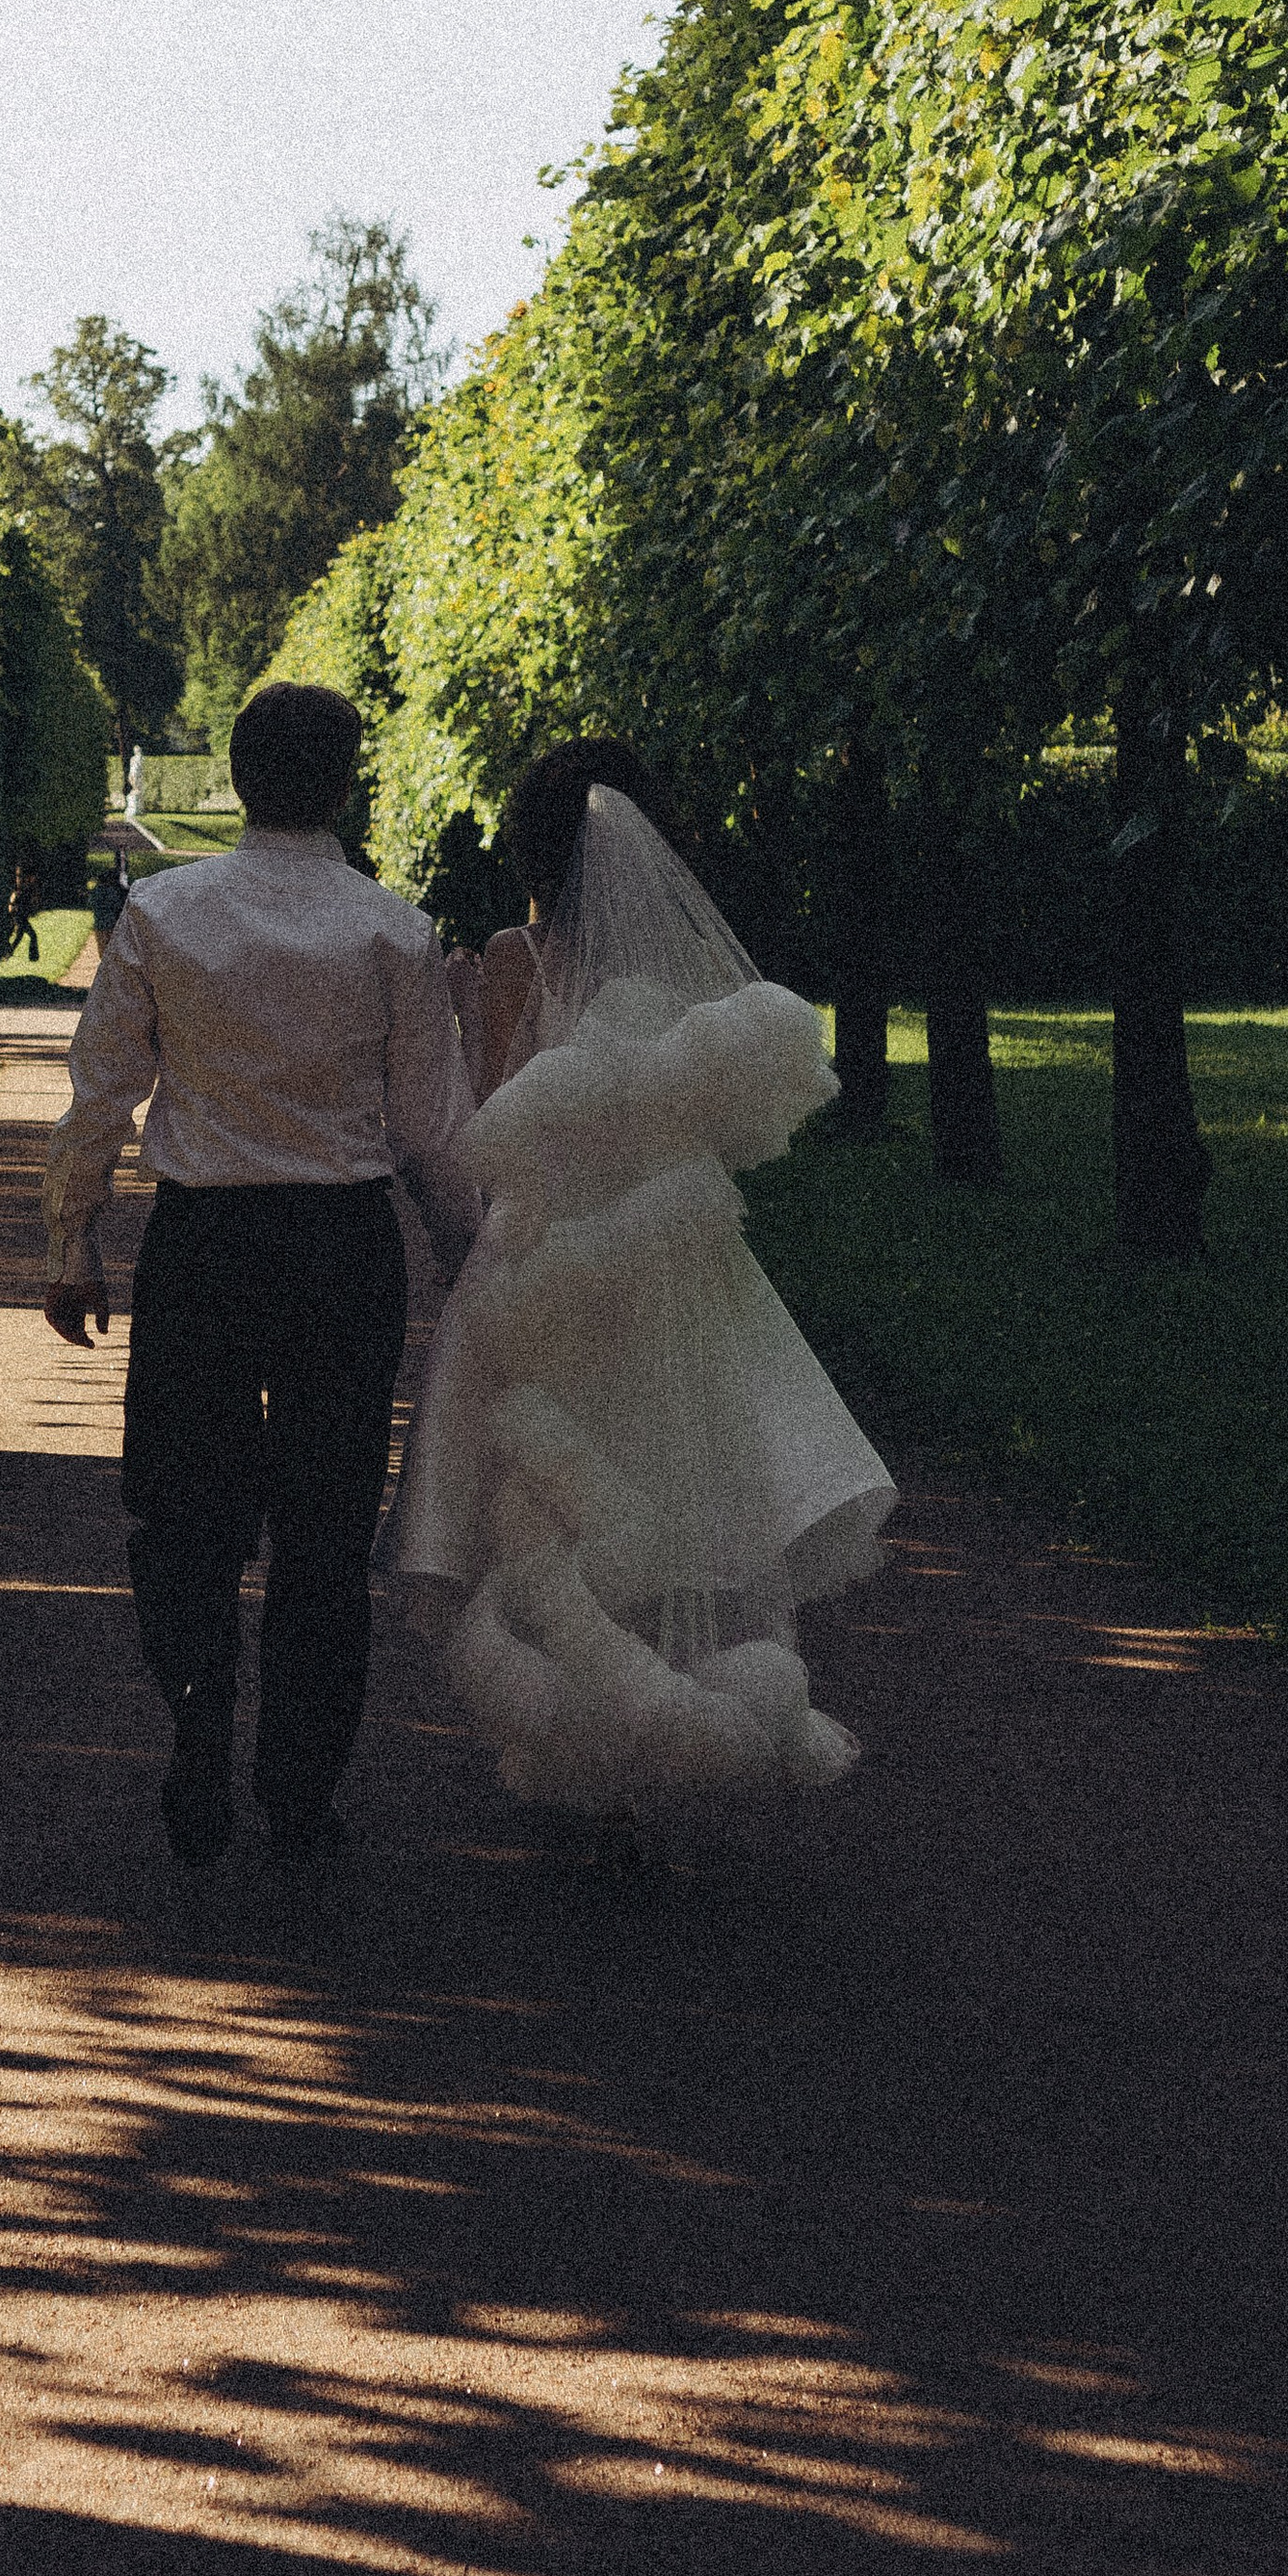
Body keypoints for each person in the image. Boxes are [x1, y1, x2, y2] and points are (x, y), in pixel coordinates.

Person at [388, 744, 896, 1843]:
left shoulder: (519, 958)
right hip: (671, 1252)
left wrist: (475, 1005)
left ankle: (578, 1726)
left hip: (546, 1259)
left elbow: (491, 1132)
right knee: (680, 1467)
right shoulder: (687, 978)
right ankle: (688, 1704)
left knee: (543, 1489)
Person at [43, 681, 481, 1870]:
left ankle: (197, 1723)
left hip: (205, 1248)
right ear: (344, 784)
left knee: (183, 1510)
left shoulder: (163, 915)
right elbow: (431, 1131)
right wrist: (467, 1260)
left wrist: (74, 1238)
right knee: (326, 1529)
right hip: (342, 1250)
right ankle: (298, 1791)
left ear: (238, 779)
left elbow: (101, 1090)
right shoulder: (394, 929)